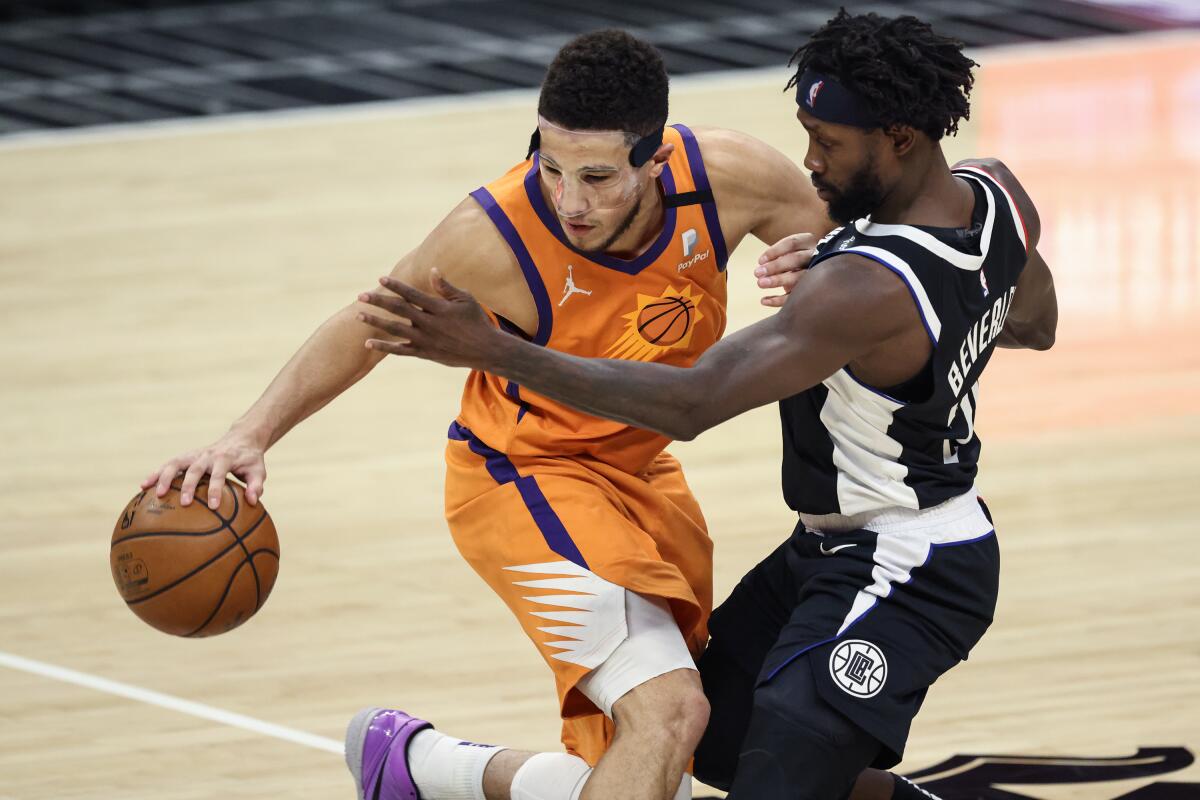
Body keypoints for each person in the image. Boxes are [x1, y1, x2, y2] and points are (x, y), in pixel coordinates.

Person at [358, 10, 1059, 800]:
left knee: (767, 770)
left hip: (910, 558)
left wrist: (493, 351)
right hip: (826, 549)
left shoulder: (862, 285)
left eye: (827, 142)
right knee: (710, 742)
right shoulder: (995, 194)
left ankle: (432, 771)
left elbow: (692, 404)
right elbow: (1037, 320)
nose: (808, 160)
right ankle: (428, 768)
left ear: (899, 137)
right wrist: (889, 291)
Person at [142, 28, 849, 800]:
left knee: (653, 769)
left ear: (655, 159)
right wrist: (248, 435)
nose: (569, 201)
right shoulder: (496, 235)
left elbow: (865, 253)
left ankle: (418, 766)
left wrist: (822, 261)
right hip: (523, 478)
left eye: (597, 176)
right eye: (550, 166)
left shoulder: (729, 177)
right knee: (670, 712)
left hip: (641, 477)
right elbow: (368, 323)